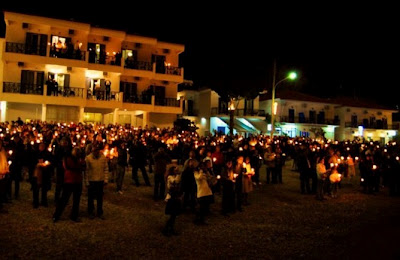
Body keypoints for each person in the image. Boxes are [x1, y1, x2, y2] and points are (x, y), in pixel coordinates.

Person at [53, 147, 84, 222]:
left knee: (76, 200)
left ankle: (74, 215)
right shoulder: (68, 158)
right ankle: (56, 215)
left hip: (77, 181)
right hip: (69, 181)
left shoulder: (79, 159)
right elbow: (71, 167)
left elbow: (83, 167)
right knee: (64, 199)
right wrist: (79, 165)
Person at [85, 143, 108, 219]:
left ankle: (99, 212)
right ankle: (90, 212)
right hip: (92, 180)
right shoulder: (88, 159)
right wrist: (86, 181)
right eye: (94, 151)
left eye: (97, 151)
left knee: (100, 198)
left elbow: (105, 169)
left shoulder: (103, 158)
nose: (96, 152)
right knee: (90, 198)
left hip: (100, 180)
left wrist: (105, 179)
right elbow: (86, 171)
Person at [162, 165, 182, 236]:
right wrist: (178, 174)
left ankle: (170, 229)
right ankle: (166, 229)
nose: (176, 171)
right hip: (171, 197)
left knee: (174, 215)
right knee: (172, 215)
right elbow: (176, 181)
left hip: (175, 197)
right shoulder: (170, 177)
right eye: (175, 170)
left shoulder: (174, 176)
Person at [0, 140, 9, 213]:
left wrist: (7, 167)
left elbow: (5, 161)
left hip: (3, 174)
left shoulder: (3, 151)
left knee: (2, 191)